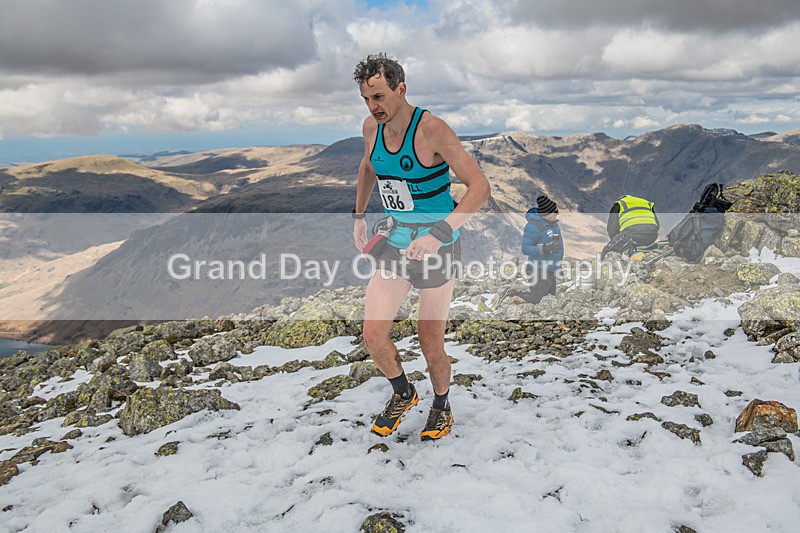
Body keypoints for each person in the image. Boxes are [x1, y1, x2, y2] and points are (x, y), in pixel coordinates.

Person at [352, 53, 490, 441]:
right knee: (373, 336)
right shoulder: (370, 128)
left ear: (401, 89)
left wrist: (439, 233)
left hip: (438, 248)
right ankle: (403, 392)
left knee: (430, 342)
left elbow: (479, 187)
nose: (372, 107)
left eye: (378, 97)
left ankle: (442, 405)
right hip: (395, 243)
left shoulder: (431, 129)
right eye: (366, 99)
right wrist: (358, 216)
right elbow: (367, 167)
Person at [519, 195, 563, 303]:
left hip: (550, 269)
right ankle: (512, 295)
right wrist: (545, 248)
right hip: (537, 269)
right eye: (555, 211)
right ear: (547, 214)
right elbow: (525, 249)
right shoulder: (533, 227)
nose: (558, 213)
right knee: (536, 300)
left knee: (549, 300)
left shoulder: (553, 225)